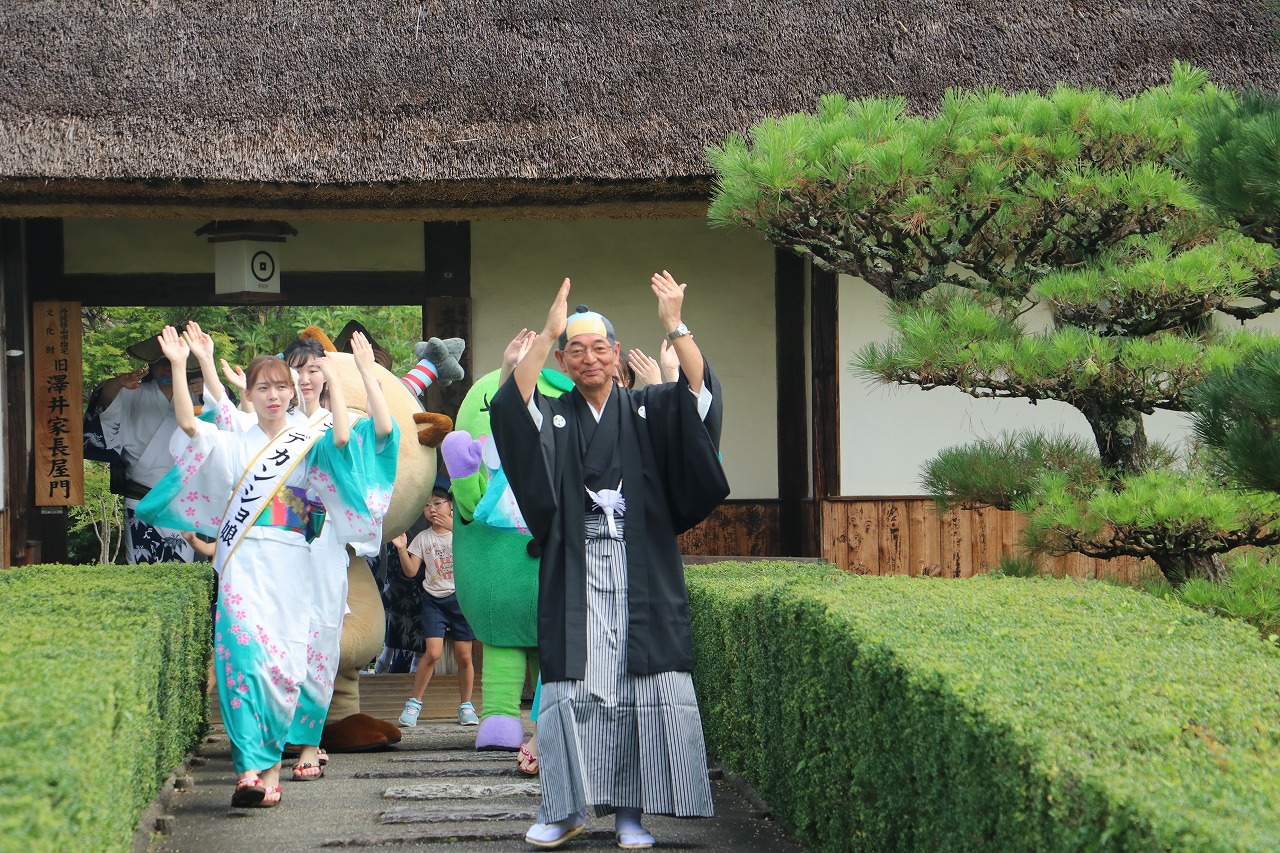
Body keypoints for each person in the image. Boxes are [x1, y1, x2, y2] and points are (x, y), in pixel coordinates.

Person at [490, 271, 729, 849]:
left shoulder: (648, 409)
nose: (589, 358)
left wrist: (676, 325)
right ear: (565, 361)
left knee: (633, 689)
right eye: (576, 349)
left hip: (640, 572)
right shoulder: (556, 414)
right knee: (572, 691)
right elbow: (512, 412)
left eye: (600, 347)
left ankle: (630, 815)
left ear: (616, 354)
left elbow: (699, 398)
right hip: (577, 573)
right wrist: (547, 333)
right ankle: (564, 808)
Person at [137, 327, 395, 809]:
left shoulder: (309, 440)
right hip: (244, 566)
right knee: (243, 660)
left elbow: (349, 439)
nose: (275, 394)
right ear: (251, 395)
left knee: (288, 662)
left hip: (296, 562)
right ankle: (250, 770)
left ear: (294, 389)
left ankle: (275, 764)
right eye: (264, 387)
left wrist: (349, 376)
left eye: (283, 385)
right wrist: (181, 365)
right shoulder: (235, 438)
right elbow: (192, 424)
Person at [206, 327, 397, 780]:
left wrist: (367, 372)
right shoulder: (273, 430)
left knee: (319, 643)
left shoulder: (332, 424)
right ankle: (272, 743)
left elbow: (384, 433)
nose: (307, 377)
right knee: (270, 644)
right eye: (297, 370)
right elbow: (227, 428)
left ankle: (310, 742)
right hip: (274, 553)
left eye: (314, 369)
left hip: (322, 549)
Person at [83, 327, 208, 563]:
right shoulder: (132, 392)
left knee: (186, 569)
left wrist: (211, 391)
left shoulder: (201, 394)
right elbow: (104, 402)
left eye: (171, 362)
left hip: (185, 500)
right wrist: (118, 382)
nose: (166, 368)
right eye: (160, 362)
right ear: (150, 365)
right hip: (141, 498)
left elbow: (229, 420)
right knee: (141, 567)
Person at [392, 484, 480, 728]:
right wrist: (401, 548)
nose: (432, 509)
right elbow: (411, 572)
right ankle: (413, 704)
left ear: (452, 505)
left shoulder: (464, 532)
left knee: (464, 656)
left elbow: (476, 554)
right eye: (427, 505)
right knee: (432, 653)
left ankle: (466, 706)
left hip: (461, 599)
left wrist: (455, 527)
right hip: (434, 601)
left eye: (438, 503)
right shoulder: (423, 538)